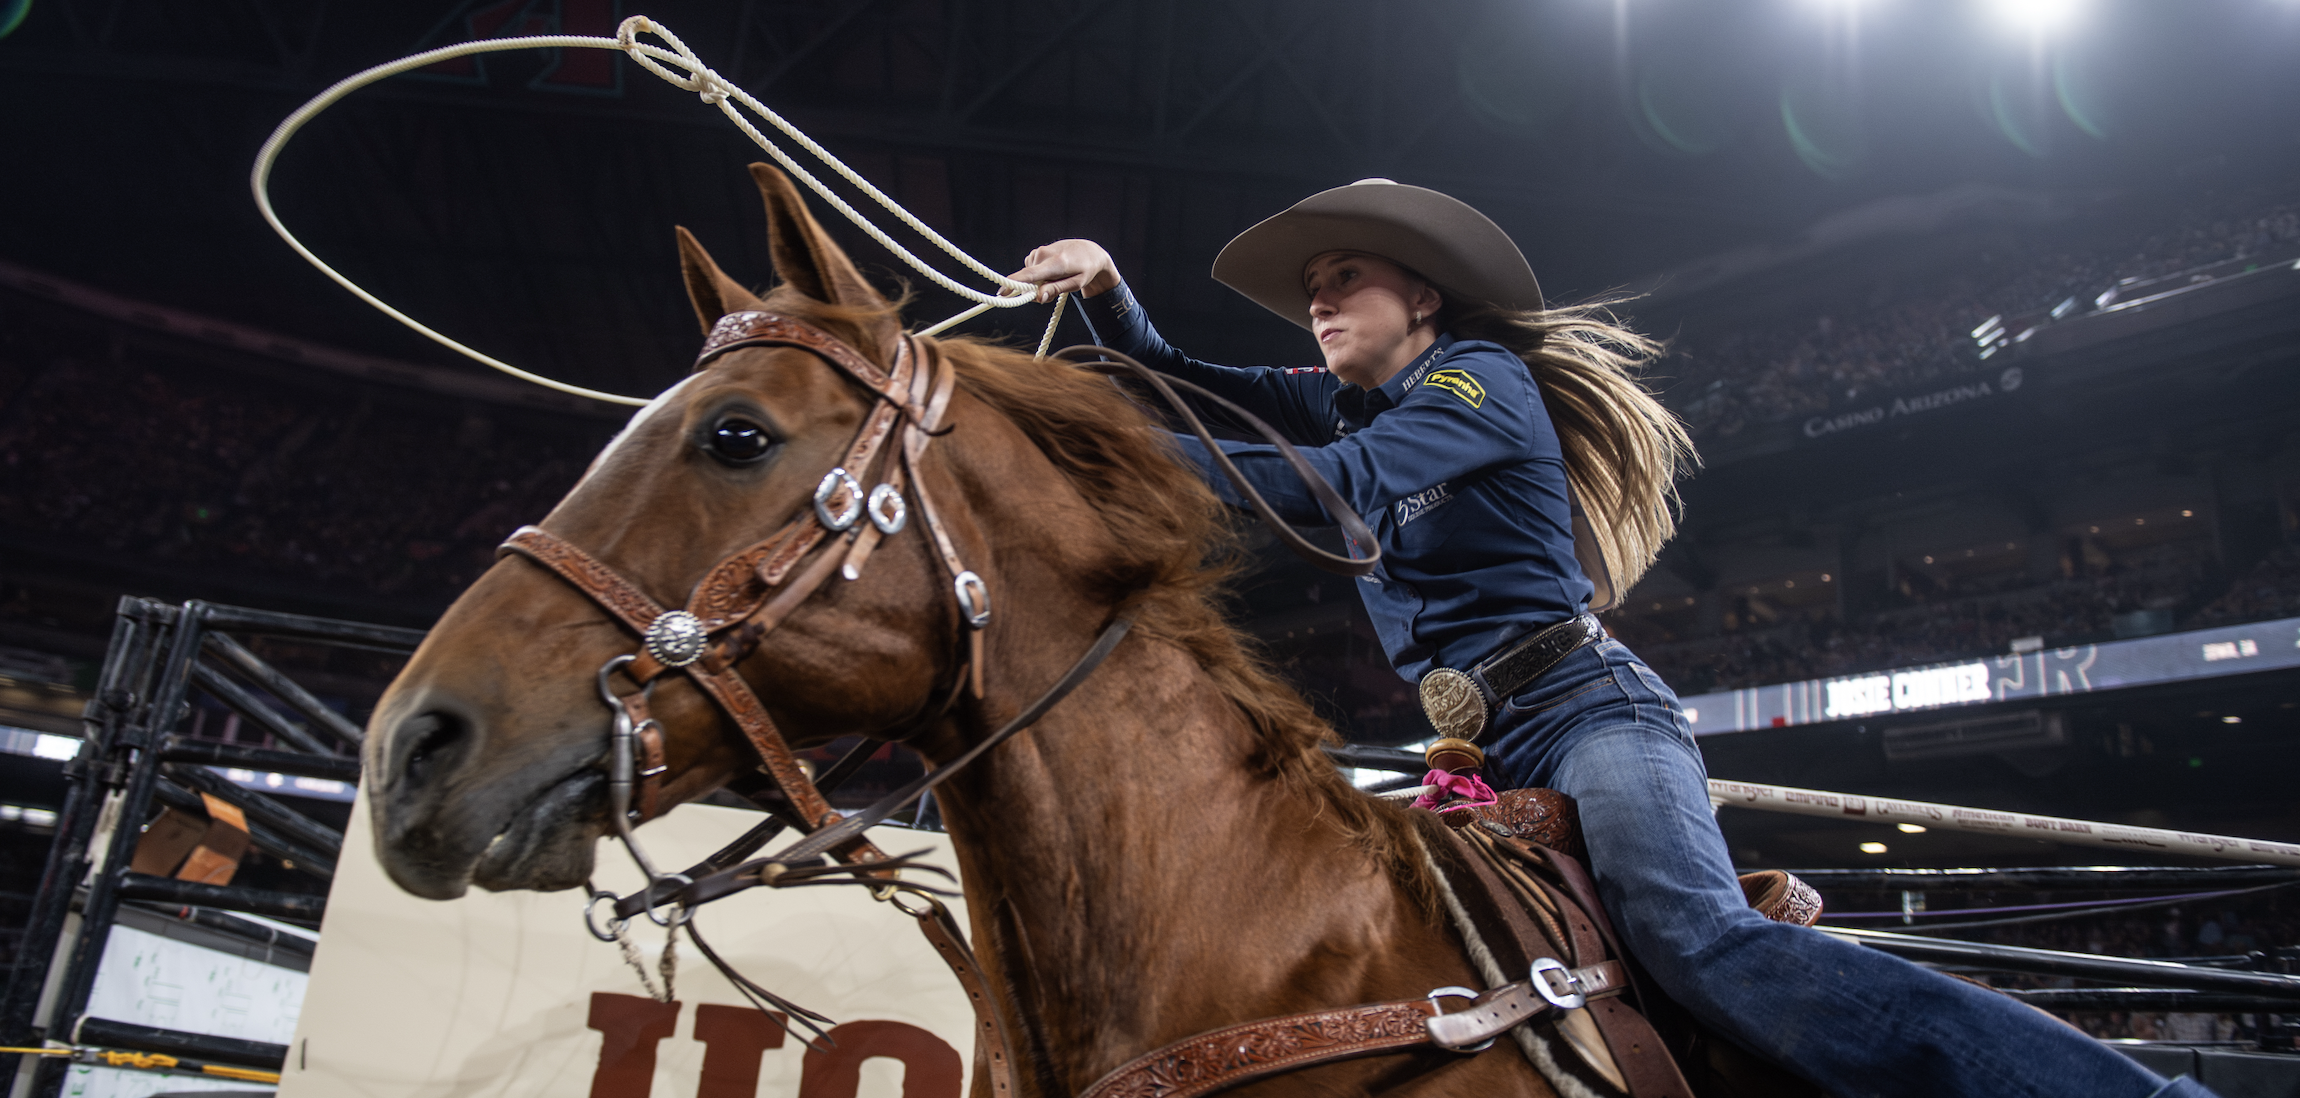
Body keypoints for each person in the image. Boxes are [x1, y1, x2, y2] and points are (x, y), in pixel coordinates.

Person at [1009, 179, 2211, 1098]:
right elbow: (1174, 376)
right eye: (1312, 286)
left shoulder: (1476, 378)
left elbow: (1342, 484)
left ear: (1420, 298)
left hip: (1586, 711)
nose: (1317, 301)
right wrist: (1105, 289)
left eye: (1343, 278)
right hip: (1477, 750)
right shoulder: (1348, 398)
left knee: (1696, 939)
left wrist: (1068, 450)